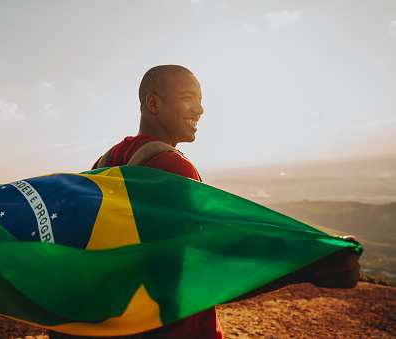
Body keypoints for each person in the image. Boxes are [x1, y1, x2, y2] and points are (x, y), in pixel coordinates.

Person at [50, 65, 361, 338]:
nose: (199, 109)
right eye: (188, 97)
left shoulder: (107, 162)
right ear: (153, 103)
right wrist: (305, 267)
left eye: (200, 100)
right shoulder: (171, 166)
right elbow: (193, 276)